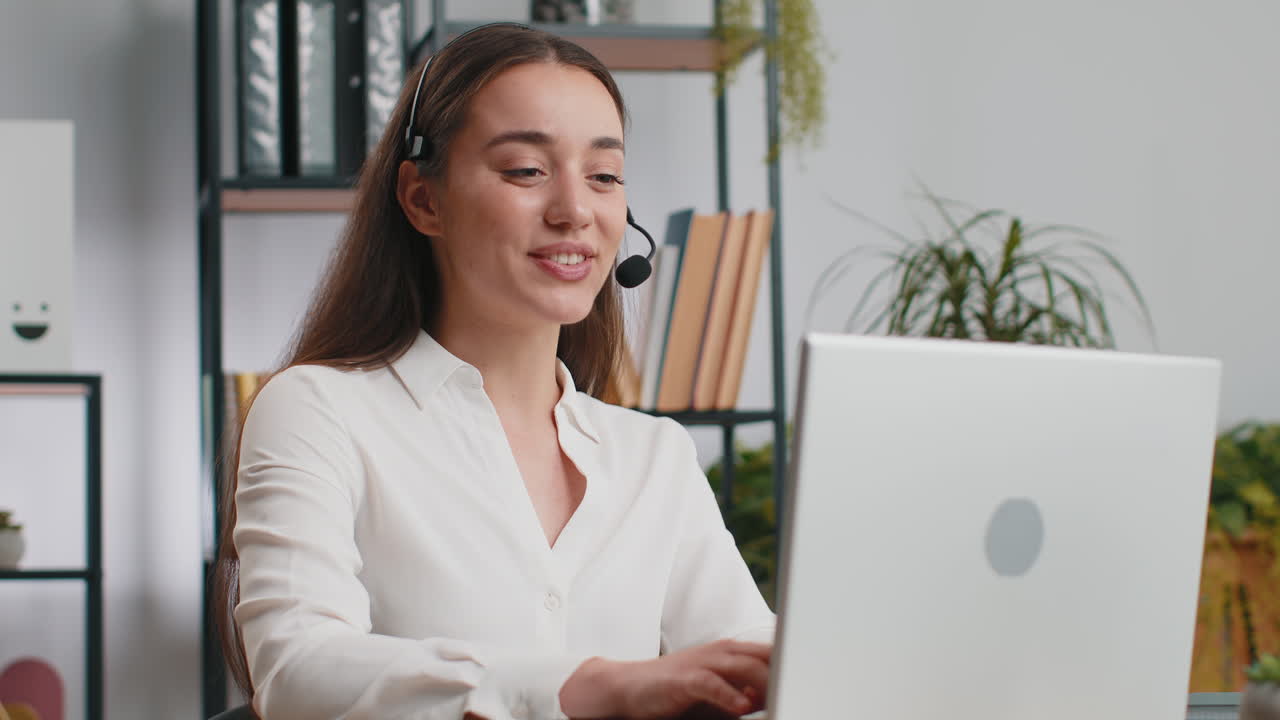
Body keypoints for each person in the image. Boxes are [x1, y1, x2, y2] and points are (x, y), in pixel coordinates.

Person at [213, 23, 775, 720]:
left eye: (603, 176)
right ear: (423, 200)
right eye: (526, 171)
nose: (576, 211)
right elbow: (299, 671)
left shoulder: (653, 455)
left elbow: (758, 659)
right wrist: (587, 686)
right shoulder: (318, 410)